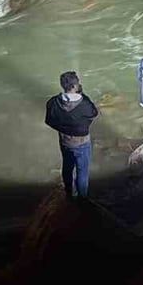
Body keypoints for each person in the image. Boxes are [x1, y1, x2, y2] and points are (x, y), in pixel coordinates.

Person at [44, 71, 99, 199]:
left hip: (64, 141)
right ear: (75, 86)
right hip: (82, 142)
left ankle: (69, 194)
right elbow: (94, 113)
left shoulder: (53, 102)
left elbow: (49, 121)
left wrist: (62, 129)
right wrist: (82, 94)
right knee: (82, 172)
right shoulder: (84, 103)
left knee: (67, 167)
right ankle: (82, 199)